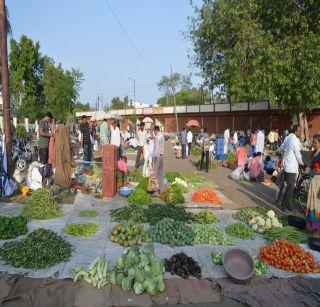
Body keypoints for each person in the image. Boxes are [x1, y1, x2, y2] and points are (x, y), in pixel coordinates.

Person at [280, 125, 304, 212]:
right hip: (291, 167)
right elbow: (297, 153)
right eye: (299, 131)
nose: (300, 133)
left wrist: (284, 157)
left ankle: (290, 207)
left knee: (290, 187)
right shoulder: (294, 139)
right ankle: (283, 206)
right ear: (295, 131)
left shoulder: (288, 137)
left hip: (287, 165)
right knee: (290, 188)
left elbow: (282, 146)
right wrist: (302, 162)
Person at [305, 134, 320, 232]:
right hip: (312, 180)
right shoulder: (315, 152)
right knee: (311, 201)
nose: (314, 144)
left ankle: (315, 225)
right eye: (313, 142)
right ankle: (311, 223)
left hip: (318, 181)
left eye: (315, 142)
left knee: (316, 203)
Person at [153, 125, 165, 193]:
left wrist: (154, 156)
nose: (154, 132)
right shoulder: (162, 136)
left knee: (156, 174)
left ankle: (155, 191)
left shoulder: (157, 137)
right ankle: (161, 189)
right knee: (161, 173)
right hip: (161, 156)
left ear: (155, 130)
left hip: (157, 156)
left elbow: (156, 148)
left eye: (154, 131)